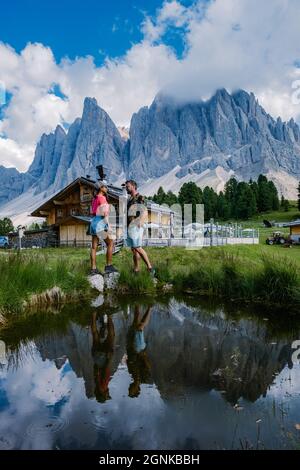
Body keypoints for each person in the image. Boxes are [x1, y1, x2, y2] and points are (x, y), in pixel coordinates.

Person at [124, 180, 155, 276]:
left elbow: (144, 210)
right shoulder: (129, 199)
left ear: (133, 186)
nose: (126, 188)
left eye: (127, 186)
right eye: (126, 186)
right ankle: (136, 270)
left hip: (136, 226)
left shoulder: (140, 197)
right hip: (130, 226)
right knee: (134, 249)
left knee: (137, 247)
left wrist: (140, 221)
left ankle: (150, 268)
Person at [89, 181, 118, 275]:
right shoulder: (102, 198)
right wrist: (109, 226)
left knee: (94, 247)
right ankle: (108, 266)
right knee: (111, 243)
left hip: (93, 223)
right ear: (100, 188)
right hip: (100, 223)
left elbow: (92, 213)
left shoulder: (94, 199)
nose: (106, 188)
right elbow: (105, 214)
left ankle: (93, 269)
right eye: (105, 186)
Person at [126, 305, 152, 398]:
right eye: (131, 391)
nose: (129, 389)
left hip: (132, 349)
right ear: (137, 390)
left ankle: (138, 303)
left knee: (135, 324)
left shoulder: (133, 375)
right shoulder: (143, 378)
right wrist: (143, 356)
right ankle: (149, 307)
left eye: (129, 391)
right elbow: (148, 367)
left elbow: (128, 361)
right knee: (140, 327)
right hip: (138, 349)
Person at [91, 311, 115, 403]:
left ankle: (109, 315)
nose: (108, 394)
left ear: (103, 394)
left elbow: (105, 370)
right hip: (96, 358)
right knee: (95, 335)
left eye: (107, 396)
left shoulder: (103, 386)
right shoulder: (97, 384)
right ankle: (93, 314)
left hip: (104, 359)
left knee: (111, 336)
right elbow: (95, 369)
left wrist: (109, 358)